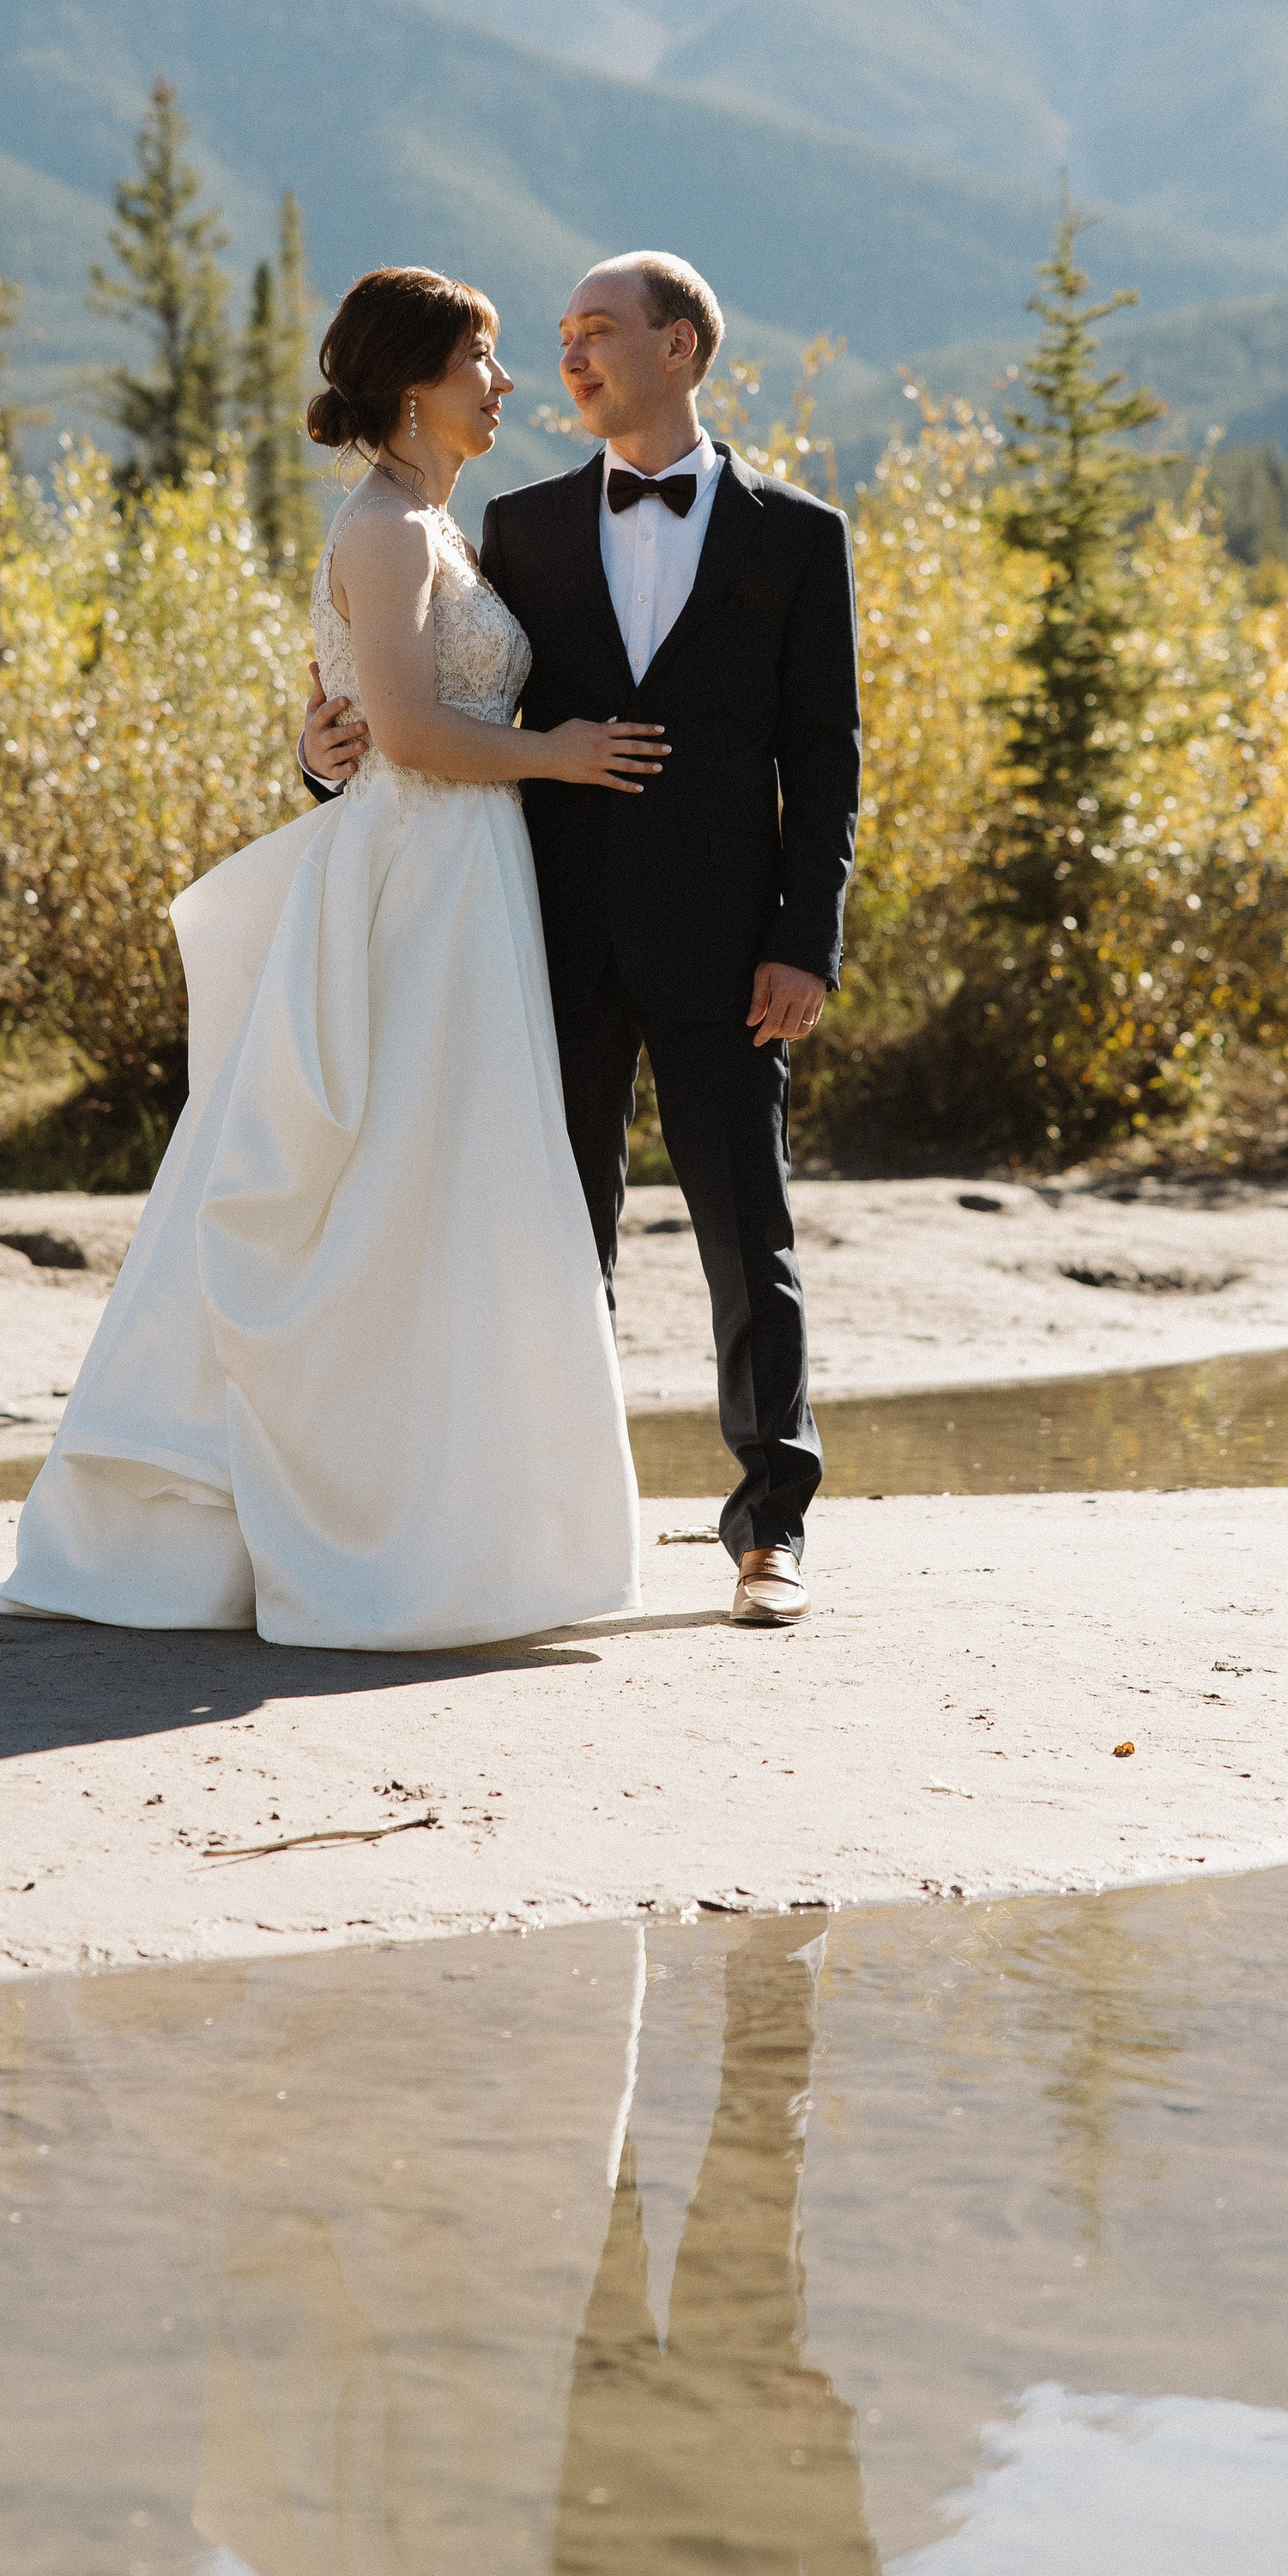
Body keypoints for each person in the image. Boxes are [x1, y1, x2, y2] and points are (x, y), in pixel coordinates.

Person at [0, 267, 652, 1651]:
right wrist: (561, 755)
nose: (508, 382)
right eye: (484, 357)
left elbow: (364, 709)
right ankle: (368, 1531)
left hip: (458, 875)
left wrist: (326, 736)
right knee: (393, 1183)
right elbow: (410, 736)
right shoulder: (387, 530)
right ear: (419, 382)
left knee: (435, 1191)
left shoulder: (425, 524)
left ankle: (443, 1517)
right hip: (422, 878)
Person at [304, 252, 860, 1626]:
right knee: (554, 1236)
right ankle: (555, 1525)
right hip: (534, 934)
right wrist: (324, 762)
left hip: (732, 946)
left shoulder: (799, 537)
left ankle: (770, 1529)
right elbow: (433, 705)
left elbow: (826, 763)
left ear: (680, 346)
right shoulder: (520, 524)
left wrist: (805, 938)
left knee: (750, 1230)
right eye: (556, 337)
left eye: (597, 332)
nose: (570, 359)